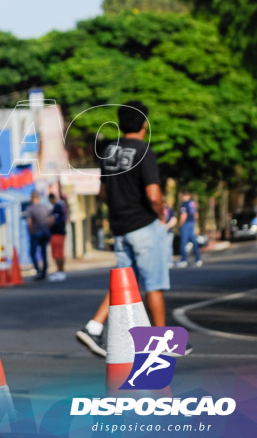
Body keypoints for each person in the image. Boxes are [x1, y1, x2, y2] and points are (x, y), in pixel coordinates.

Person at [76, 101, 183, 358]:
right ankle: (161, 342)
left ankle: (93, 326)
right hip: (144, 226)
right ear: (145, 124)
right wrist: (160, 215)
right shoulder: (144, 151)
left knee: (126, 281)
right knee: (154, 286)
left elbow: (103, 191)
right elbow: (154, 194)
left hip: (120, 227)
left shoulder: (109, 150)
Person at [26, 190, 53, 281]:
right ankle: (44, 272)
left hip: (36, 233)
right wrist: (47, 228)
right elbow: (51, 219)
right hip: (45, 232)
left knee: (33, 253)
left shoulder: (30, 208)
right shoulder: (45, 207)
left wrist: (31, 233)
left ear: (32, 198)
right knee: (44, 253)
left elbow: (29, 223)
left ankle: (38, 271)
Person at [176, 192, 202, 267]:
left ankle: (183, 260)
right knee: (194, 241)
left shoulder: (184, 204)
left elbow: (184, 215)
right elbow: (196, 214)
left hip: (186, 224)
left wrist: (180, 224)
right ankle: (198, 259)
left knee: (183, 242)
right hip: (192, 223)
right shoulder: (192, 203)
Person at [48, 192, 69, 281]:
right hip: (62, 233)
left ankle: (59, 272)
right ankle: (61, 271)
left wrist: (48, 224)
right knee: (60, 253)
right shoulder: (61, 207)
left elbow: (52, 221)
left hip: (57, 233)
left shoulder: (56, 208)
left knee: (57, 253)